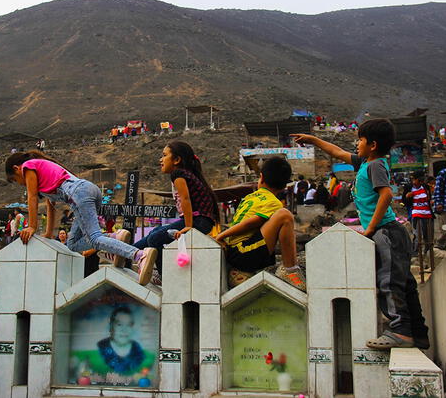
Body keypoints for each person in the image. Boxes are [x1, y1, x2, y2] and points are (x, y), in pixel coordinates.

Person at [292, 118, 429, 349]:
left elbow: (385, 195)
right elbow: (337, 152)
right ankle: (417, 332)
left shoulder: (375, 165)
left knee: (389, 282)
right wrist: (313, 140)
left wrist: (371, 228)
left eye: (360, 140)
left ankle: (400, 330)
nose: (356, 144)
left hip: (387, 233)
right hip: (390, 233)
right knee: (404, 282)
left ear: (373, 144)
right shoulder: (366, 162)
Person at [5, 151, 158, 285]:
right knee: (71, 244)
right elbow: (50, 207)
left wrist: (32, 226)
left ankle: (139, 255)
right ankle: (114, 237)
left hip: (79, 194)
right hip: (89, 190)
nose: (21, 183)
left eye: (15, 180)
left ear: (16, 169)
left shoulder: (28, 167)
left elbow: (32, 198)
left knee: (94, 238)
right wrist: (48, 234)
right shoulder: (43, 172)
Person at [214, 157, 305, 290]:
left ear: (261, 178)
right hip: (244, 253)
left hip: (237, 252)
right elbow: (249, 223)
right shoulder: (272, 202)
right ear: (285, 186)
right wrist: (221, 236)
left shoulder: (249, 198)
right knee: (284, 216)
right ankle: (290, 269)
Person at [133, 141, 218, 276]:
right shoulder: (187, 174)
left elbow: (186, 199)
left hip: (197, 221)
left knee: (155, 239)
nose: (161, 159)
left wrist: (188, 226)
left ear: (177, 160)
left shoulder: (178, 174)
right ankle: (127, 252)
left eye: (164, 155)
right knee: (155, 231)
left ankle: (163, 276)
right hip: (200, 220)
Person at [404, 171, 434, 249]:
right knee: (417, 235)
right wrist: (408, 197)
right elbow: (405, 201)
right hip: (416, 214)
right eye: (413, 180)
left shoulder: (425, 187)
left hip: (427, 214)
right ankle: (416, 251)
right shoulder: (409, 187)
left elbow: (429, 199)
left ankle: (427, 251)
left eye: (415, 179)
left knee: (428, 234)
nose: (414, 182)